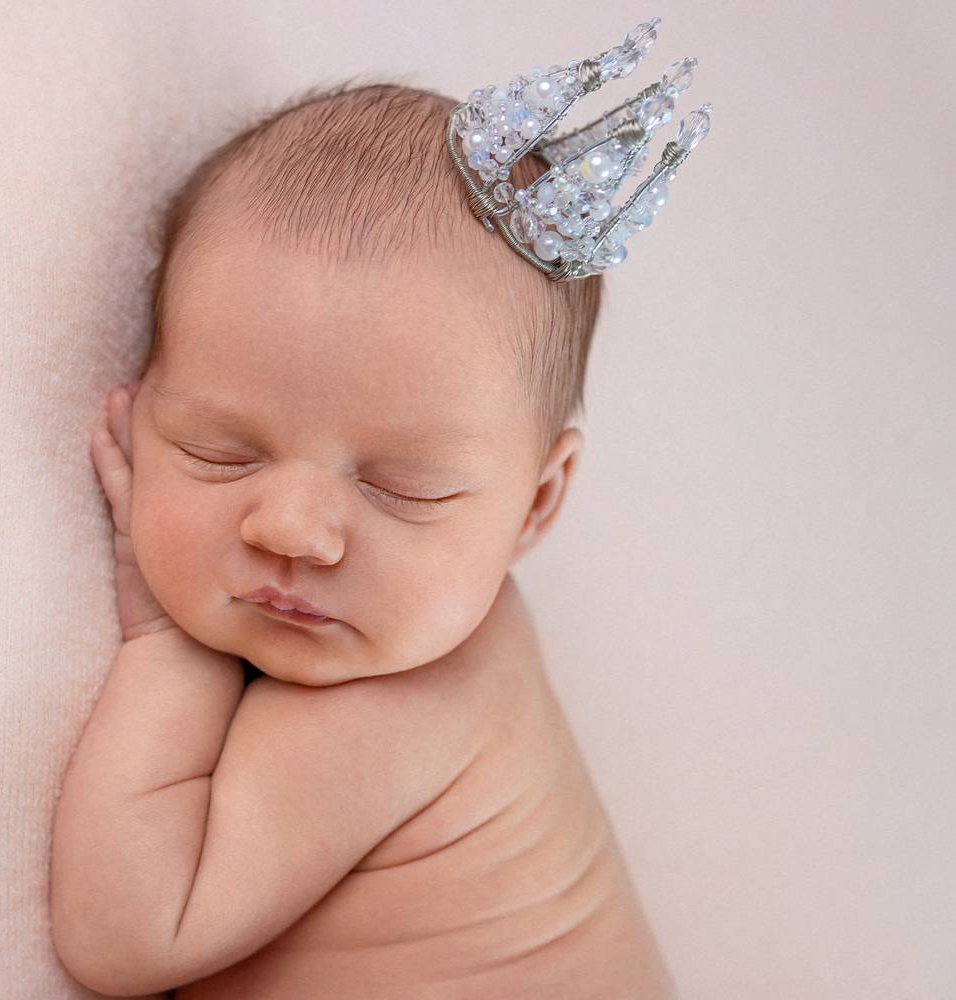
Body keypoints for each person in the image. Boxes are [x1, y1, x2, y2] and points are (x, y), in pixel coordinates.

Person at [53, 22, 707, 995]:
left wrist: (161, 647)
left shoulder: (406, 702)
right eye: (220, 452)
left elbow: (126, 935)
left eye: (405, 489)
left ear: (536, 504)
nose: (291, 531)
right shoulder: (403, 628)